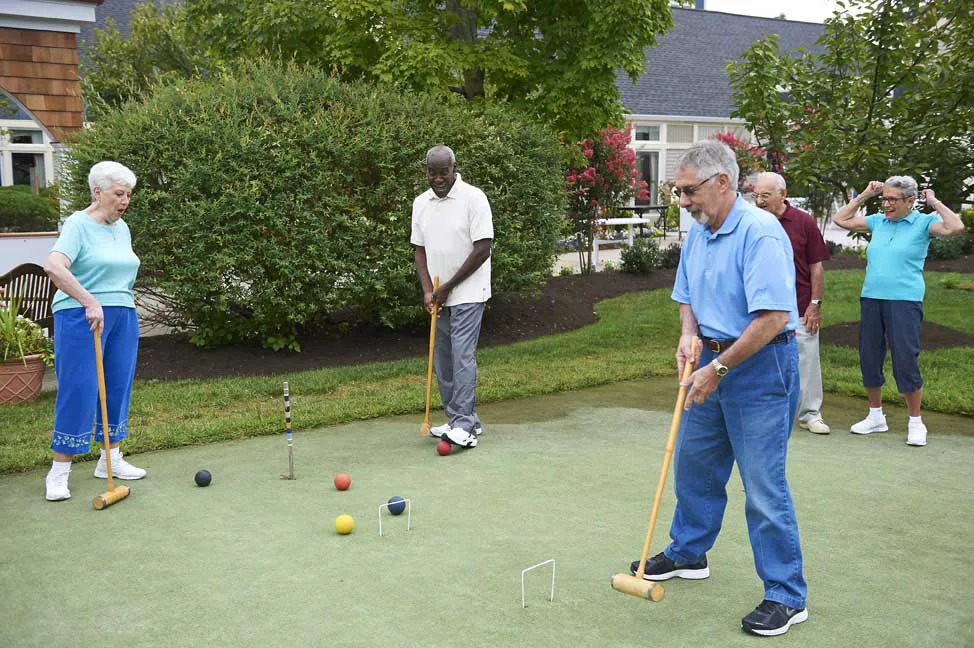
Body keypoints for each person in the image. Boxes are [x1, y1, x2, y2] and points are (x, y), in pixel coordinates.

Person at [629, 140, 808, 637]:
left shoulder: (760, 233)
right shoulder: (700, 231)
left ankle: (786, 595)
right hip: (712, 357)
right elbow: (686, 295)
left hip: (759, 365)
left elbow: (772, 318)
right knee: (696, 462)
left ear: (723, 183)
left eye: (689, 191)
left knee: (763, 486)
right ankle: (690, 553)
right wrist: (689, 337)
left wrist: (718, 368)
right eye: (677, 191)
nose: (682, 201)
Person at [833, 176, 965, 446]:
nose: (886, 204)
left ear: (910, 201)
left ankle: (916, 422)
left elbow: (955, 227)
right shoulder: (878, 221)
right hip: (871, 298)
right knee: (869, 357)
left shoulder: (923, 223)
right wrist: (865, 196)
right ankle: (875, 416)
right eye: (885, 198)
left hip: (904, 301)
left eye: (892, 199)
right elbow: (841, 220)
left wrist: (934, 202)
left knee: (905, 360)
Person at [42, 161, 146, 501]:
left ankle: (110, 459)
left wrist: (119, 304)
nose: (125, 201)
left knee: (117, 385)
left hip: (122, 314)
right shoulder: (77, 224)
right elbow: (53, 266)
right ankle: (59, 472)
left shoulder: (122, 228)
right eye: (119, 194)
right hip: (81, 315)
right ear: (97, 192)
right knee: (81, 388)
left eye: (128, 195)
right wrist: (88, 300)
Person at [411, 146, 493, 449]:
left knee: (461, 357)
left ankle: (465, 426)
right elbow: (419, 251)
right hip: (439, 295)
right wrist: (428, 290)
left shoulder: (474, 198)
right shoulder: (421, 203)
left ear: (454, 168)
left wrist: (447, 287)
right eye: (432, 172)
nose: (438, 178)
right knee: (443, 360)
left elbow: (483, 248)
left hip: (469, 292)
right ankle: (458, 417)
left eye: (443, 171)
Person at [752, 172, 832, 434]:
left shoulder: (803, 222)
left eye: (765, 195)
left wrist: (815, 304)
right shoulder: (750, 222)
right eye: (756, 196)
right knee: (758, 359)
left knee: (806, 358)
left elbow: (816, 267)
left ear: (782, 195)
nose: (760, 201)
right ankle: (764, 412)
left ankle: (810, 413)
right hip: (759, 308)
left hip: (798, 305)